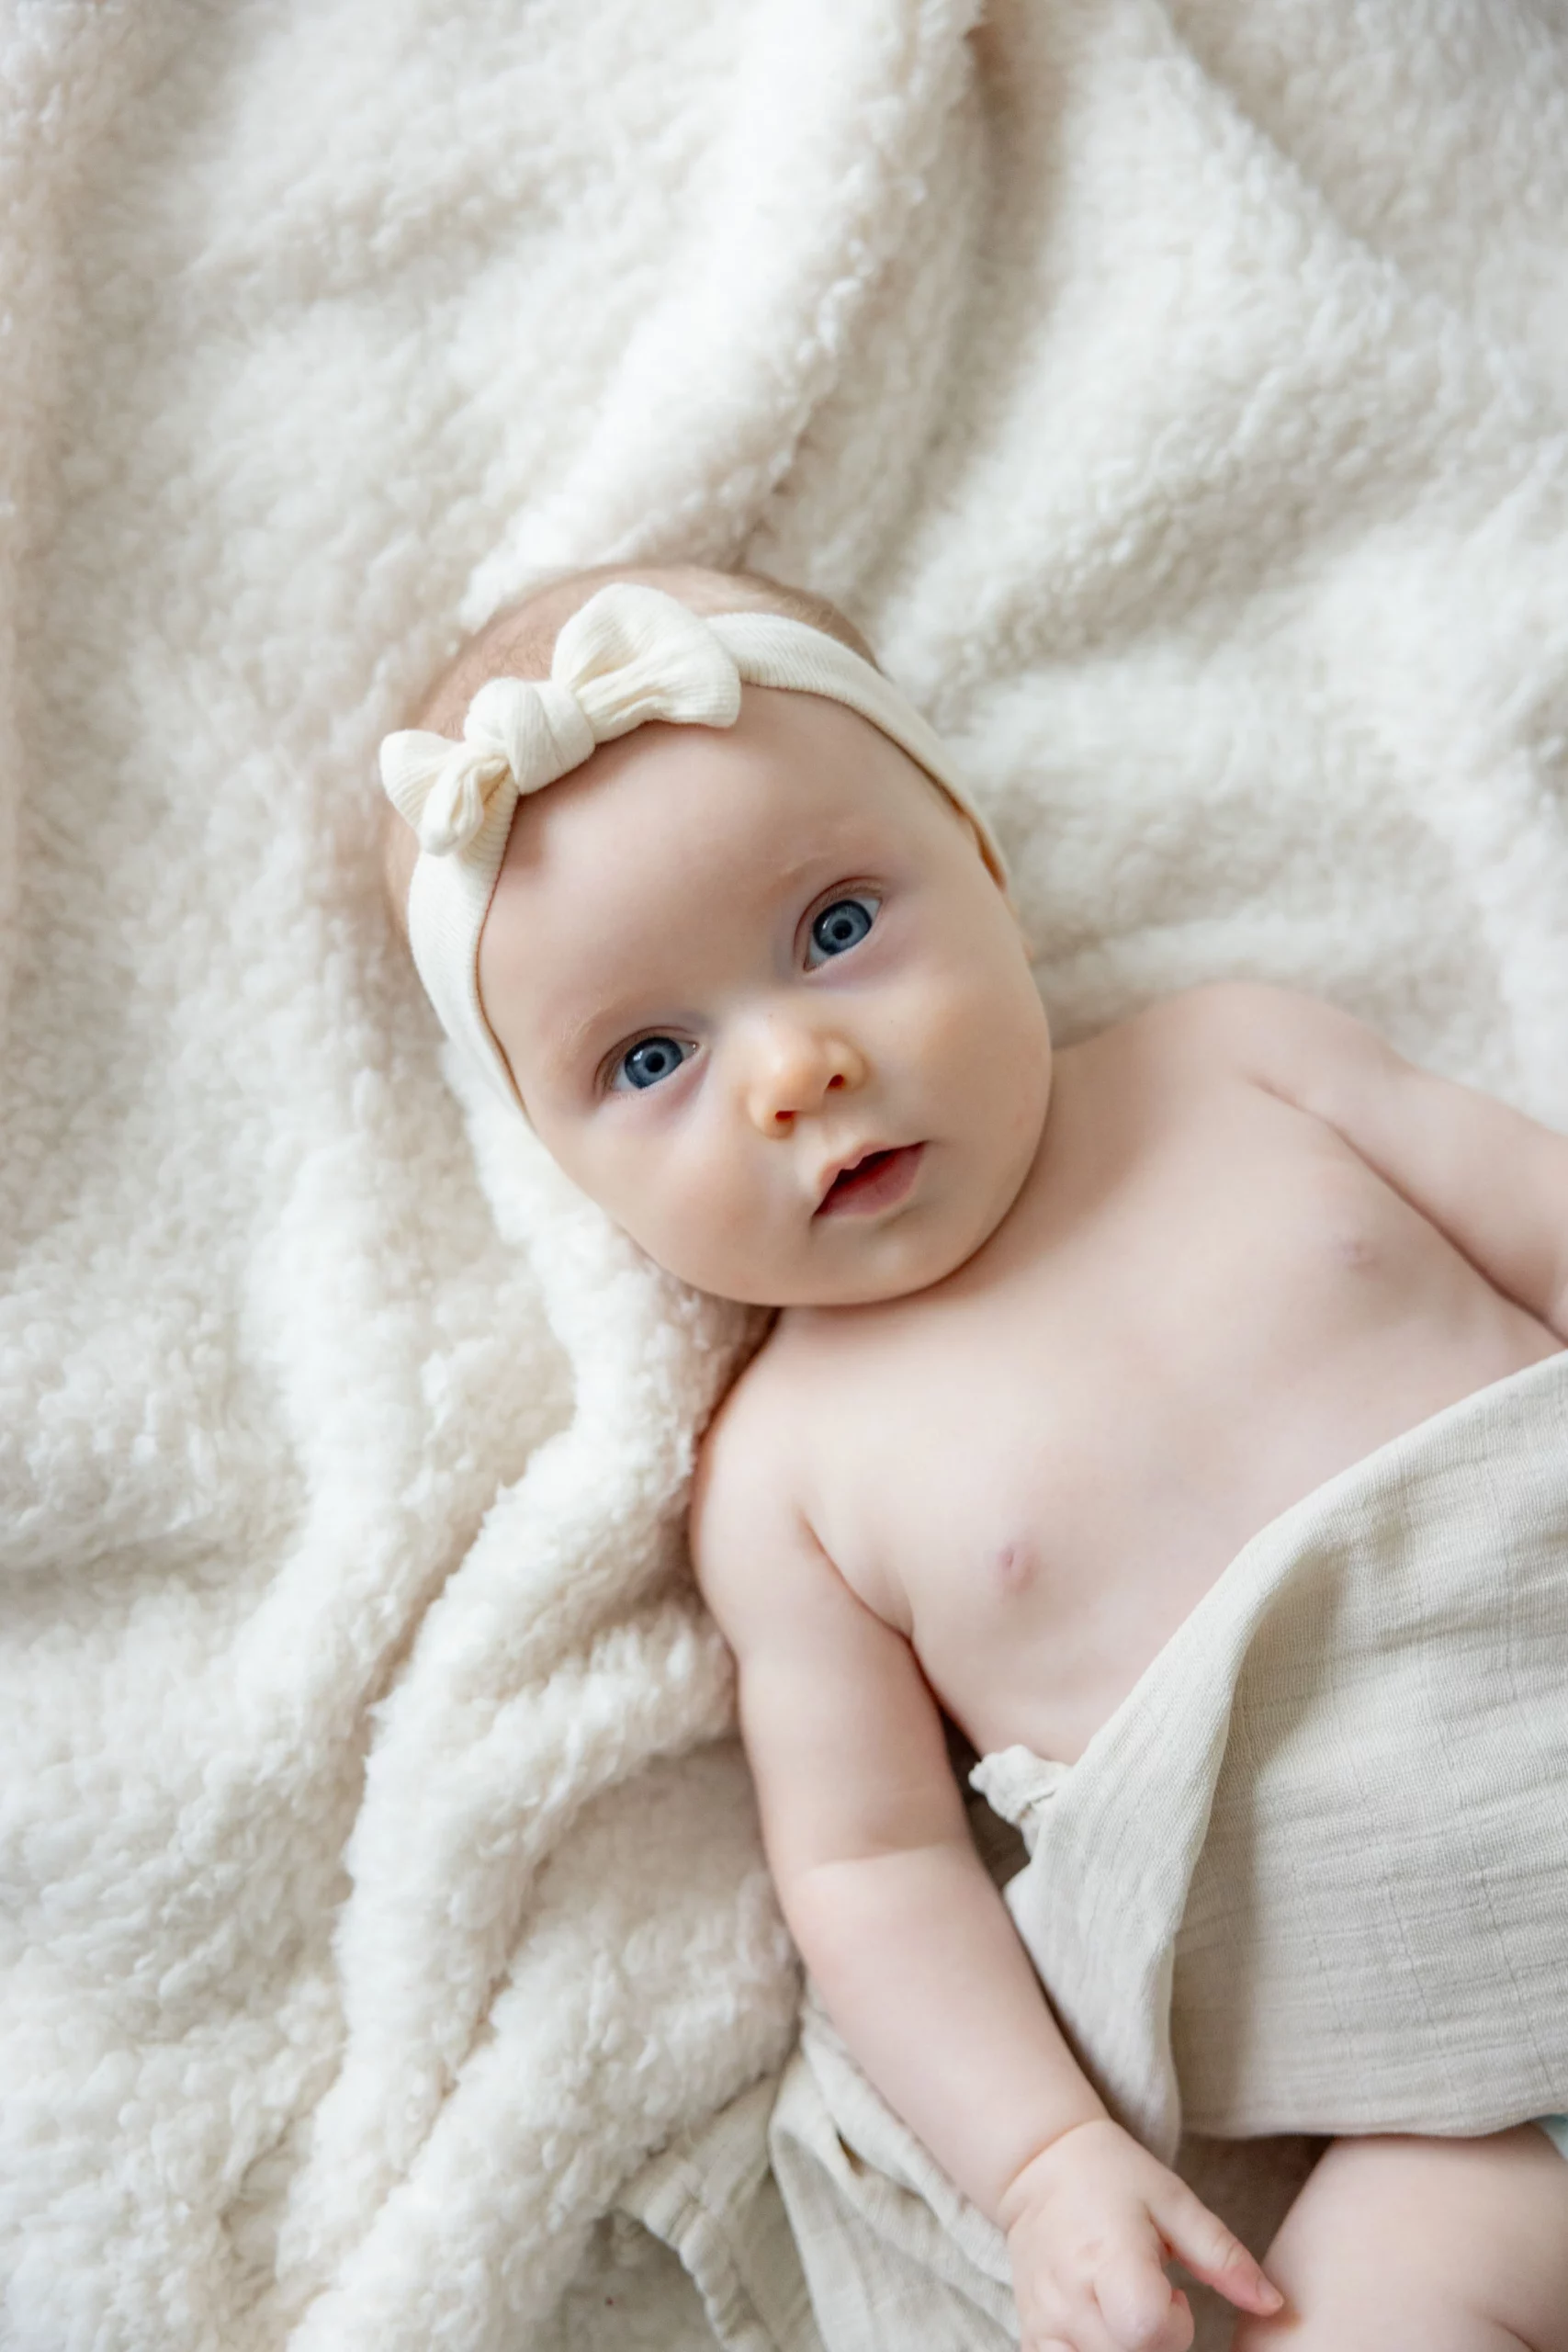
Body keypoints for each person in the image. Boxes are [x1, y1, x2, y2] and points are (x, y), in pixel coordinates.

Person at [379, 561, 1568, 2352]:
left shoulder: (1239, 1062)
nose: (794, 1064)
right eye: (648, 1055)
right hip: (1456, 2102)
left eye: (836, 926)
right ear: (567, 1175)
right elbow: (872, 1864)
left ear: (980, 859)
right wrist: (1040, 2158)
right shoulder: (785, 1476)